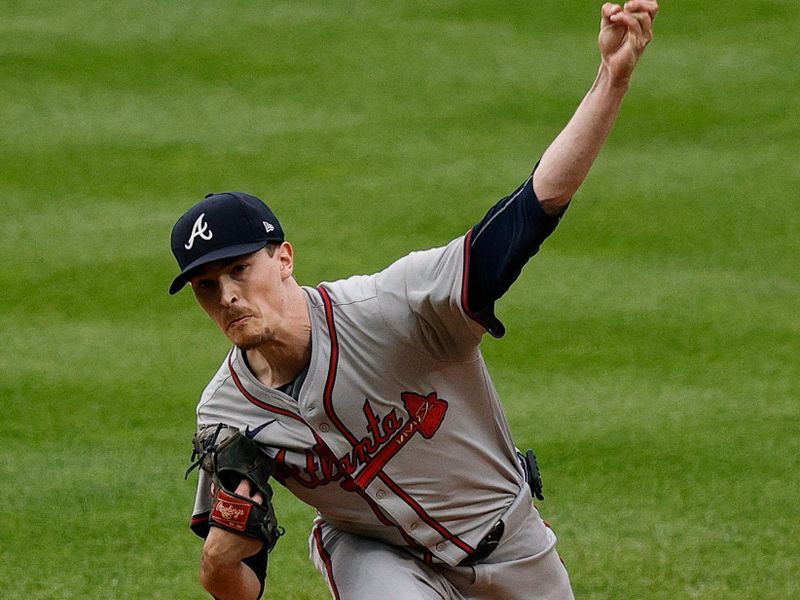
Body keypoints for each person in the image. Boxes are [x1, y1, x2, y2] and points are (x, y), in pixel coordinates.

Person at [169, 2, 658, 598]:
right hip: (375, 558)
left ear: (285, 258)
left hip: (512, 547)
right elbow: (241, 587)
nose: (227, 296)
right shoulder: (228, 416)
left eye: (240, 270)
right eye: (206, 285)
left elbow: (530, 210)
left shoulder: (394, 308)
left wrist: (612, 78)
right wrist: (220, 562)